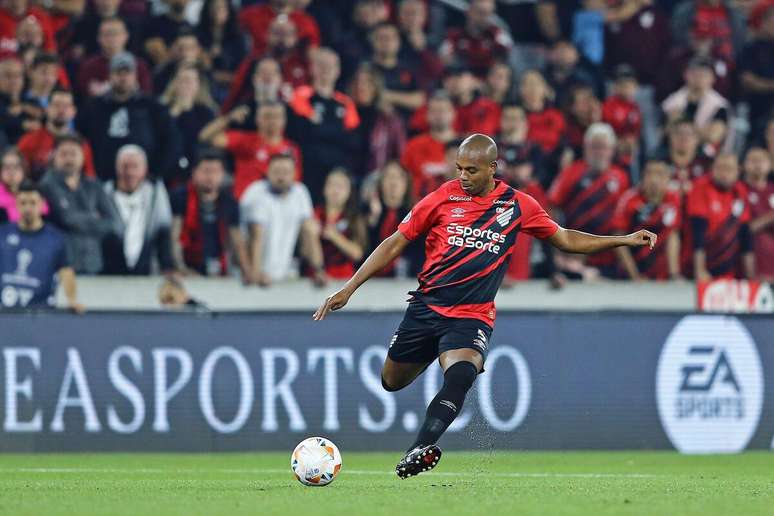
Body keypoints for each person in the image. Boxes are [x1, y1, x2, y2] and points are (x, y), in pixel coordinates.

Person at [313, 133, 656, 478]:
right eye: (459, 168)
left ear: (493, 168)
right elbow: (394, 243)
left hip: (471, 316)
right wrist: (349, 288)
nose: (463, 176)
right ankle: (435, 356)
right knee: (391, 381)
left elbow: (565, 238)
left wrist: (623, 240)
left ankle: (419, 448)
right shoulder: (442, 197)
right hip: (427, 308)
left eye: (472, 170)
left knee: (461, 374)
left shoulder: (518, 205)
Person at [77, 51, 181, 181]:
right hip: (101, 181)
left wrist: (156, 174)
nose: (123, 77)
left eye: (127, 73)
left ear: (135, 76)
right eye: (118, 73)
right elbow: (80, 139)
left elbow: (171, 141)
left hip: (143, 183)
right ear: (109, 76)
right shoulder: (94, 107)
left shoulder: (152, 107)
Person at [548, 123, 630, 277]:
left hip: (610, 256)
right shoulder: (570, 173)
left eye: (603, 147)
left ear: (612, 150)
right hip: (575, 255)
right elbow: (551, 208)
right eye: (594, 147)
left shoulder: (621, 177)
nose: (599, 152)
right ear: (585, 148)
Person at [286, 47, 360, 203]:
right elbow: (302, 132)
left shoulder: (346, 103)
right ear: (312, 68)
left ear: (338, 70)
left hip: (336, 171)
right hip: (307, 169)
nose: (326, 69)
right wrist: (334, 130)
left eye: (330, 65)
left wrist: (318, 126)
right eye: (321, 64)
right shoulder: (300, 95)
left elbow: (352, 140)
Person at [40, 135, 122, 274]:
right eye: (64, 154)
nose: (69, 159)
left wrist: (83, 222)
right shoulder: (47, 184)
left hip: (92, 262)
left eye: (73, 154)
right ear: (54, 157)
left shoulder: (94, 185)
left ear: (83, 157)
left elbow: (115, 224)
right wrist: (94, 218)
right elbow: (67, 218)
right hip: (59, 263)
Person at [240, 153, 325, 286]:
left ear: (294, 174)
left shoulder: (300, 192)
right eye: (276, 172)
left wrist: (319, 270)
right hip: (249, 275)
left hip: (285, 273)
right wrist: (255, 273)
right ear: (267, 172)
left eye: (286, 172)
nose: (281, 177)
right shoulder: (256, 192)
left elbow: (309, 232)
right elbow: (253, 236)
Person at [0, 181, 82, 311]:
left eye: (33, 203)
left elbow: (66, 272)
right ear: (16, 204)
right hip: (4, 314)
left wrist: (72, 300)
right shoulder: (3, 234)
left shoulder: (56, 239)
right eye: (23, 203)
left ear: (42, 204)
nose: (27, 208)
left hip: (42, 315)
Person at [170, 149, 252, 279]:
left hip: (219, 269)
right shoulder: (180, 197)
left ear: (223, 175)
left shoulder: (230, 202)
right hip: (187, 268)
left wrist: (247, 271)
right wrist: (182, 269)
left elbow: (237, 241)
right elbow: (174, 237)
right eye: (206, 171)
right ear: (194, 173)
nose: (210, 176)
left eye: (215, 171)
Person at [200, 100, 301, 199]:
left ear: (284, 120)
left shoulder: (291, 149)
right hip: (245, 205)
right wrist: (229, 119)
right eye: (267, 116)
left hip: (277, 207)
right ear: (257, 119)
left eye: (276, 117)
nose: (272, 121)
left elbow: (294, 182)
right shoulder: (245, 141)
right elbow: (206, 136)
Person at [102, 145, 174, 275]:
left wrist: (167, 267)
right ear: (117, 168)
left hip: (146, 274)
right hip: (109, 275)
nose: (129, 173)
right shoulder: (103, 195)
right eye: (125, 166)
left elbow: (164, 234)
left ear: (144, 169)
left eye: (135, 166)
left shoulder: (155, 195)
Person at [687, 153, 754, 280]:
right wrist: (700, 271)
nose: (724, 174)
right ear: (712, 169)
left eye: (729, 169)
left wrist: (750, 276)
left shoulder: (740, 190)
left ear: (738, 171)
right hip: (700, 269)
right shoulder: (701, 187)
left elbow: (745, 235)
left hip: (731, 273)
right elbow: (698, 233)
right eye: (720, 168)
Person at [614, 161, 683, 281]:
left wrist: (674, 275)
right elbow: (618, 238)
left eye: (660, 174)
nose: (654, 180)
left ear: (668, 179)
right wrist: (635, 276)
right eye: (649, 174)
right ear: (642, 177)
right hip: (630, 276)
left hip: (662, 277)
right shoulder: (629, 199)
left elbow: (672, 235)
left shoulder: (673, 199)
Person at [17, 89, 96, 180]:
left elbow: (90, 179)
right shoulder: (28, 141)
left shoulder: (82, 144)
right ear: (47, 109)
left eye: (66, 106)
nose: (61, 110)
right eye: (56, 105)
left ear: (73, 111)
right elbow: (20, 176)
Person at [160, 63, 217, 185]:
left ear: (198, 85)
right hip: (167, 170)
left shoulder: (206, 113)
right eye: (183, 80)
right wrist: (175, 112)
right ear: (174, 84)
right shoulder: (162, 110)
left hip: (196, 170)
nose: (187, 85)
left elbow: (206, 141)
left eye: (191, 80)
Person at [75, 17, 153, 99]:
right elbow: (81, 97)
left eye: (115, 33)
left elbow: (147, 96)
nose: (111, 38)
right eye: (106, 34)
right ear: (98, 38)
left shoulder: (139, 65)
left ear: (126, 36)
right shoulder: (88, 66)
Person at [313, 168, 367, 279]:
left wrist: (335, 237)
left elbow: (357, 254)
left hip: (343, 280)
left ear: (349, 191)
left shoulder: (354, 218)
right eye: (332, 185)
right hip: (314, 279)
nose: (335, 190)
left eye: (341, 186)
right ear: (324, 188)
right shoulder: (314, 214)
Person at [401, 92, 457, 198]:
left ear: (453, 113)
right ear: (427, 115)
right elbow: (403, 179)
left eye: (443, 110)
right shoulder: (413, 146)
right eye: (434, 111)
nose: (439, 115)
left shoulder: (466, 146)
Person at [439, 0, 512, 78]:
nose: (486, 18)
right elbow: (443, 61)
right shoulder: (454, 35)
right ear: (469, 12)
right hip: (462, 80)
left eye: (489, 14)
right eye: (481, 13)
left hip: (488, 83)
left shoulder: (498, 35)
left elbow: (505, 65)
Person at [743, 146, 774, 281]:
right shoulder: (739, 190)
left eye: (761, 160)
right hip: (750, 267)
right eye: (753, 160)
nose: (757, 164)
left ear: (770, 165)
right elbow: (744, 228)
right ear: (743, 164)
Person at [0, 147, 49, 224]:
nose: (11, 172)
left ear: (23, 169)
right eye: (6, 167)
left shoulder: (34, 191)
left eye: (16, 167)